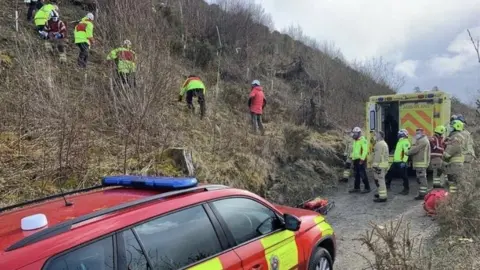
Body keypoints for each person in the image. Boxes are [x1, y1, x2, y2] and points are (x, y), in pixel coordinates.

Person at [406, 128, 431, 200]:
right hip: (420, 162)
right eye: (416, 133)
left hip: (421, 163)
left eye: (418, 133)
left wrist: (407, 152)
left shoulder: (423, 141)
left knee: (422, 179)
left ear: (423, 133)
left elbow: (415, 149)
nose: (416, 135)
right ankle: (422, 193)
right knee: (420, 179)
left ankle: (423, 194)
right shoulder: (421, 140)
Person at [443, 120, 465, 194]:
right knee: (455, 184)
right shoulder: (457, 137)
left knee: (453, 183)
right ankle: (455, 199)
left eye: (452, 126)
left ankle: (453, 199)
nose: (450, 128)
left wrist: (441, 153)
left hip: (454, 165)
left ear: (456, 127)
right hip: (456, 164)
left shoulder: (456, 138)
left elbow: (448, 154)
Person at [385, 129, 411, 195]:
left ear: (403, 135)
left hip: (401, 162)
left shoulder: (405, 142)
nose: (398, 135)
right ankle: (387, 185)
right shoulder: (399, 141)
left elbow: (406, 153)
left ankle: (406, 189)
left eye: (400, 134)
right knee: (389, 173)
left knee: (404, 176)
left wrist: (404, 162)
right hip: (396, 161)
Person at [348, 127, 371, 193]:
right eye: (354, 133)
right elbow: (355, 151)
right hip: (355, 159)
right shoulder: (355, 140)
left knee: (362, 174)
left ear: (359, 133)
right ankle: (356, 188)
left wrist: (362, 159)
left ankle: (367, 188)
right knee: (356, 174)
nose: (354, 134)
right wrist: (351, 157)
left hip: (361, 160)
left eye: (356, 133)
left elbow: (365, 150)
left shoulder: (362, 140)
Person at [372, 131, 390, 202]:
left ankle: (382, 197)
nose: (375, 136)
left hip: (380, 165)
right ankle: (381, 194)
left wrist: (375, 166)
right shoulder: (383, 143)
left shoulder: (379, 144)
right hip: (383, 165)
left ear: (380, 136)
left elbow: (377, 156)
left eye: (376, 135)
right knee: (380, 180)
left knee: (380, 181)